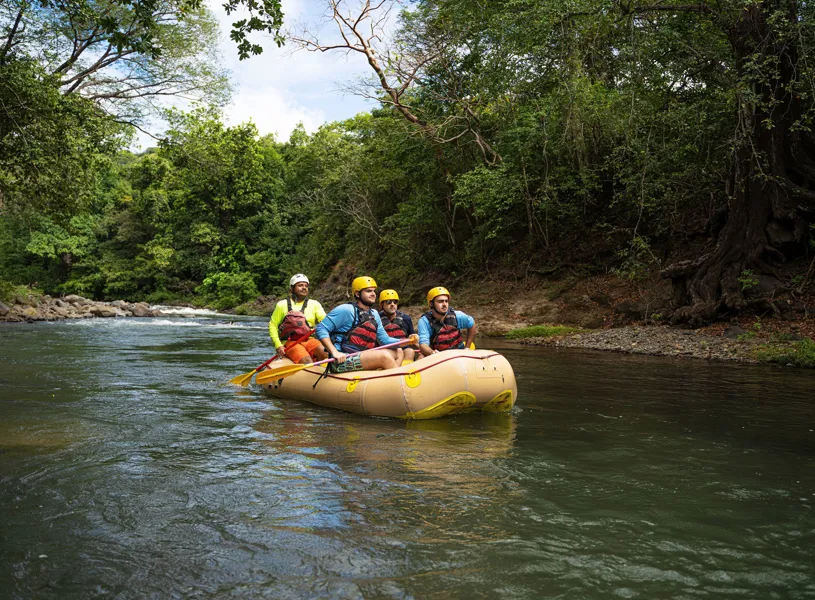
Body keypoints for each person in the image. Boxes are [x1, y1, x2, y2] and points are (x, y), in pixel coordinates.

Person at [316, 276, 418, 373]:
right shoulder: (346, 310)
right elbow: (321, 328)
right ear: (357, 294)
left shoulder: (374, 314)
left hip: (363, 355)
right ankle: (398, 380)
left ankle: (386, 378)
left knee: (399, 351)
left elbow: (385, 340)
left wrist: (408, 341)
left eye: (374, 291)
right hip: (343, 360)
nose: (373, 294)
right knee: (383, 356)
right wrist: (334, 352)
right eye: (368, 291)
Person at [268, 274, 328, 365]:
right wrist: (278, 345)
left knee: (327, 354)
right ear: (292, 288)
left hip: (309, 340)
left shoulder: (314, 304)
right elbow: (273, 325)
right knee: (307, 361)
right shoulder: (282, 305)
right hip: (290, 342)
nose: (304, 288)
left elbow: (326, 322)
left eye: (306, 286)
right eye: (300, 285)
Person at [417, 286, 477, 356]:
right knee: (421, 356)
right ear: (431, 304)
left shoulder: (457, 315)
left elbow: (472, 324)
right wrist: (432, 352)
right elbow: (423, 345)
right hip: (439, 354)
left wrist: (467, 347)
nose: (444, 304)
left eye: (446, 301)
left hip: (459, 352)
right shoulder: (424, 321)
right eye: (440, 301)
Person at [377, 289, 417, 364]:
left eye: (395, 302)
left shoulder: (406, 318)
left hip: (404, 349)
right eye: (388, 302)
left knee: (410, 351)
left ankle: (406, 373)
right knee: (398, 351)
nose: (392, 304)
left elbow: (412, 337)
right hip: (386, 350)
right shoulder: (377, 318)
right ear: (381, 305)